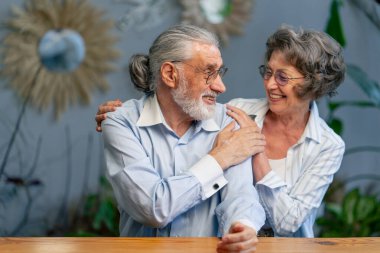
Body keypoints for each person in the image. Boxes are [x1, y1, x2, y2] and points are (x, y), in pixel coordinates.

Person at [97, 25, 346, 238]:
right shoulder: (234, 112)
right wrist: (119, 118)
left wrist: (252, 152)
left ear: (312, 85)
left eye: (282, 77)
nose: (270, 84)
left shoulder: (327, 144)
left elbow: (264, 210)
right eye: (268, 72)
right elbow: (171, 102)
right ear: (170, 73)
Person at [101, 24, 266, 252]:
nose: (221, 86)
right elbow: (153, 208)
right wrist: (219, 158)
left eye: (220, 72)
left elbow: (241, 194)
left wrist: (243, 226)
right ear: (170, 74)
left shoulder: (230, 120)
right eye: (209, 72)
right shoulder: (121, 123)